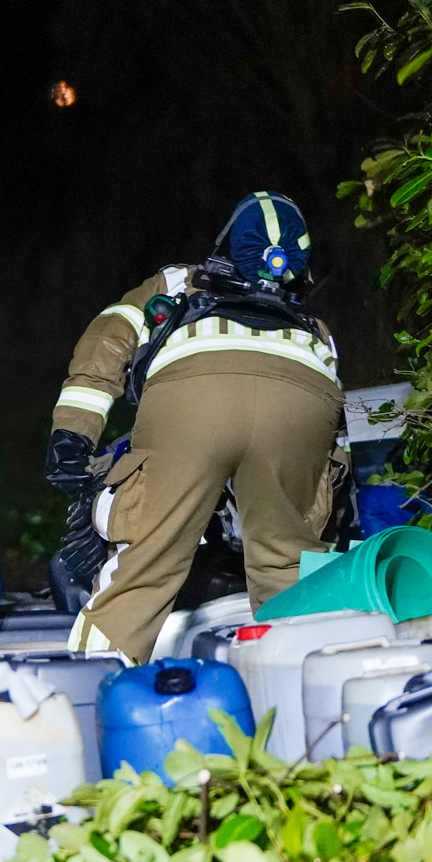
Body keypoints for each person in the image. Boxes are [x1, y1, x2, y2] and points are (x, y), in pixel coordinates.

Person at [46, 191, 347, 662]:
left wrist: (73, 431)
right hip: (299, 398)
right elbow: (333, 439)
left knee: (146, 565)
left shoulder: (177, 282)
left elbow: (108, 339)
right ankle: (302, 688)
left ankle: (90, 684)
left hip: (192, 398)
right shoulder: (314, 328)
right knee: (288, 569)